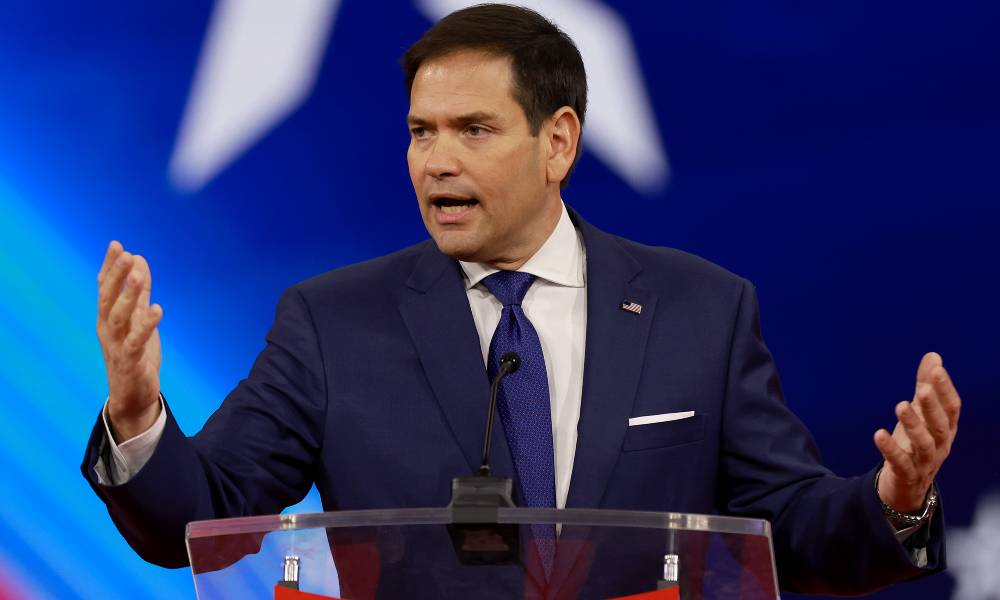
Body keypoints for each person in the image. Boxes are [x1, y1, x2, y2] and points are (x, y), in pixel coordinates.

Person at [82, 4, 960, 597]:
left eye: (474, 130)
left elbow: (794, 532)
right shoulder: (331, 323)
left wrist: (895, 498)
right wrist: (136, 412)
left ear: (559, 144)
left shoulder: (703, 309)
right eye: (421, 132)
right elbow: (198, 522)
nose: (436, 161)